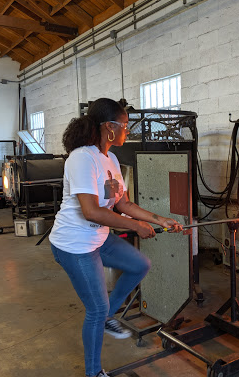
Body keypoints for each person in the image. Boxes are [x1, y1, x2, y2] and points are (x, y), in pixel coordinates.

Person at [49, 98, 182, 377]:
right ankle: (94, 372)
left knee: (139, 264)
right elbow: (91, 212)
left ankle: (108, 315)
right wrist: (134, 227)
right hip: (74, 244)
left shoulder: (110, 158)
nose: (128, 131)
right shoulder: (81, 158)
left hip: (97, 239)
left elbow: (123, 204)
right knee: (95, 309)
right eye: (124, 125)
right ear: (109, 127)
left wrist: (160, 219)